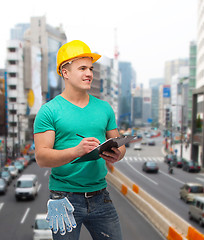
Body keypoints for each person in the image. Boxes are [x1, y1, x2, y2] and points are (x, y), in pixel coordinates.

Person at [34, 40, 126, 240]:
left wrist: (118, 153)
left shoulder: (104, 108)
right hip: (63, 198)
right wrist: (77, 151)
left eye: (91, 68)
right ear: (65, 73)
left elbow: (119, 142)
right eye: (82, 68)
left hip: (101, 196)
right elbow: (42, 157)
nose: (89, 73)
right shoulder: (49, 111)